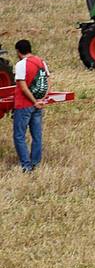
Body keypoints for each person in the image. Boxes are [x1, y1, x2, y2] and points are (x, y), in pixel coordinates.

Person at [10, 39, 46, 173]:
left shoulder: (21, 65)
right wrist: (41, 99)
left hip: (23, 105)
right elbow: (47, 81)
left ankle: (26, 166)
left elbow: (23, 87)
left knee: (19, 136)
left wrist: (34, 101)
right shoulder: (41, 62)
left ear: (18, 52)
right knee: (37, 135)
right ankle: (35, 162)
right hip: (38, 105)